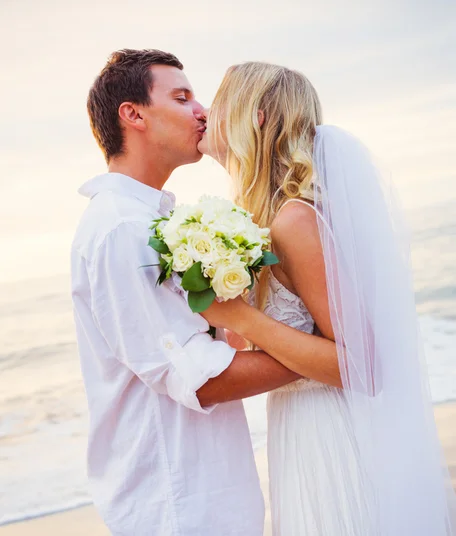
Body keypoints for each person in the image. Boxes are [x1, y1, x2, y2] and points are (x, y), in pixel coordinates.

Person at [71, 49, 341, 535]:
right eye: (181, 97)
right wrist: (325, 354)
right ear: (132, 115)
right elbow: (202, 379)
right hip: (177, 501)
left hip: (208, 491)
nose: (202, 111)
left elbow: (216, 343)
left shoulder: (156, 222)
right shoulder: (122, 230)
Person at [198, 62, 456, 536]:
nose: (204, 113)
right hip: (296, 430)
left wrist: (243, 319)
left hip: (330, 436)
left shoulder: (294, 220)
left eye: (217, 101)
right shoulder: (261, 220)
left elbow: (361, 365)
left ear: (254, 117)